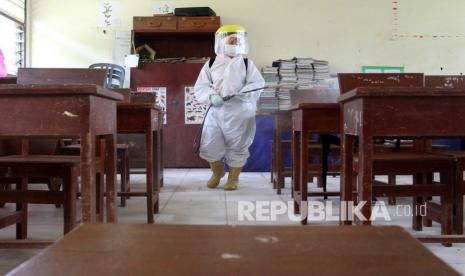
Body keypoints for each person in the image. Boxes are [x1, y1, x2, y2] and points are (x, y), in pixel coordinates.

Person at [194, 25, 265, 190]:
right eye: (230, 40)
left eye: (237, 40)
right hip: (215, 111)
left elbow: (257, 83)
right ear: (220, 42)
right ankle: (217, 173)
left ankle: (233, 178)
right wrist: (211, 96)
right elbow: (201, 86)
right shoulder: (211, 63)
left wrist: (244, 93)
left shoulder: (247, 63)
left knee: (238, 145)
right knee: (209, 143)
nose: (233, 43)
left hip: (240, 111)